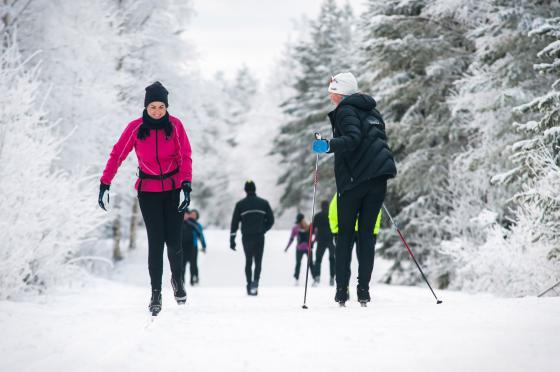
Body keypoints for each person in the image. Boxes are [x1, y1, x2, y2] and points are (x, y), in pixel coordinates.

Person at [98, 81, 192, 315]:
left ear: (166, 107)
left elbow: (186, 156)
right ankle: (156, 293)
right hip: (148, 191)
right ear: (146, 107)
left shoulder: (176, 126)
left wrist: (185, 186)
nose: (157, 111)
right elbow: (117, 154)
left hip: (173, 190)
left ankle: (178, 280)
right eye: (153, 107)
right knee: (156, 242)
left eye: (161, 107)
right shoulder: (135, 127)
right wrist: (105, 183)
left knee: (174, 241)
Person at [312, 72, 396, 306]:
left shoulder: (345, 110)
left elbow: (353, 139)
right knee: (367, 236)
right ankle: (363, 291)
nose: (330, 95)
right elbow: (374, 143)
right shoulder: (373, 111)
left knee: (346, 235)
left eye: (332, 90)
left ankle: (341, 291)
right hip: (378, 179)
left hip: (354, 181)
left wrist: (326, 145)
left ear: (341, 92)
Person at [328, 193, 382, 291]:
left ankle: (346, 287)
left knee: (345, 260)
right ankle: (362, 289)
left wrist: (335, 230)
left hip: (347, 230)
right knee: (363, 259)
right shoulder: (369, 191)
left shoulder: (342, 190)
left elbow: (333, 211)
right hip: (362, 231)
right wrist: (373, 231)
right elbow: (375, 212)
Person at [230, 181, 275, 296]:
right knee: (258, 261)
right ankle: (255, 283)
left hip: (246, 237)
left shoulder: (240, 204)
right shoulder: (264, 203)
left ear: (245, 190)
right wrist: (263, 229)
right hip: (259, 236)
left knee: (248, 261)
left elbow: (234, 223)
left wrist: (232, 239)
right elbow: (271, 220)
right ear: (255, 189)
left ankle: (249, 284)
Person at [285, 213, 315, 285]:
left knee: (302, 264)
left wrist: (287, 248)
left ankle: (298, 280)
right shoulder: (308, 227)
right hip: (305, 249)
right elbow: (292, 239)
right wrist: (312, 242)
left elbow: (291, 239)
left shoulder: (301, 227)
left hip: (302, 249)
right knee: (307, 264)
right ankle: (312, 279)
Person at [312, 201, 335, 286]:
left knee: (318, 259)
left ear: (321, 207)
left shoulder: (317, 216)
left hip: (320, 240)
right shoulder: (331, 215)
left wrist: (312, 240)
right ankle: (332, 278)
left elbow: (313, 229)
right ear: (328, 206)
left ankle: (317, 277)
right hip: (331, 239)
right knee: (332, 259)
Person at [181, 209, 207, 286]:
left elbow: (201, 235)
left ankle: (194, 278)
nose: (192, 215)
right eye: (191, 214)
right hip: (182, 247)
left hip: (193, 247)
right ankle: (182, 281)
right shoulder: (180, 223)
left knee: (193, 264)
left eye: (194, 214)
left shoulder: (195, 225)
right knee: (182, 265)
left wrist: (204, 246)